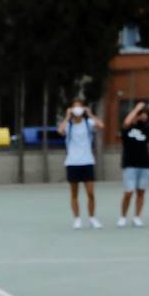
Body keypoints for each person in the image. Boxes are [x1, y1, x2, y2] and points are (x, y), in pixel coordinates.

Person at [59, 98, 104, 229]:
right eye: (75, 107)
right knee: (74, 193)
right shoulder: (69, 125)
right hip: (72, 163)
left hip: (87, 161)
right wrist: (67, 116)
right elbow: (60, 130)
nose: (77, 109)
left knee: (90, 193)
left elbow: (101, 125)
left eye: (80, 107)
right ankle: (77, 218)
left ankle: (92, 218)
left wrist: (89, 113)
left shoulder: (88, 123)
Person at [118, 101, 149, 227]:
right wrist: (136, 109)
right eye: (141, 114)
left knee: (141, 192)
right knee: (128, 192)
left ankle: (137, 216)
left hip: (144, 164)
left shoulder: (145, 129)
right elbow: (126, 123)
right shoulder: (127, 129)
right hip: (130, 164)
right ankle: (123, 217)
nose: (143, 116)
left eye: (145, 115)